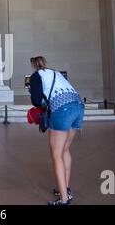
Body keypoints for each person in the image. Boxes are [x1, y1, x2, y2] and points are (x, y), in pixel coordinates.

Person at [28, 56, 84, 206]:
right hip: (78, 106)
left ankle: (64, 199)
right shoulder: (57, 73)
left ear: (33, 66)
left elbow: (36, 100)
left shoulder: (36, 76)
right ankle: (65, 189)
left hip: (62, 109)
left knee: (57, 154)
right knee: (65, 149)